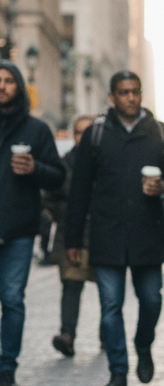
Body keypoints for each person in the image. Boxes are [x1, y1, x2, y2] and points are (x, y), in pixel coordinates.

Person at [66, 70, 164, 386]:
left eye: (135, 91)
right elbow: (79, 191)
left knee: (151, 300)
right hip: (107, 235)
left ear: (141, 94)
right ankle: (118, 371)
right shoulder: (96, 134)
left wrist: (163, 186)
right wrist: (73, 240)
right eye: (123, 92)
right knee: (110, 306)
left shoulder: (160, 133)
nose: (130, 97)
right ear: (112, 97)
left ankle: (143, 344)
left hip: (147, 234)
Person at [0, 62, 64, 386]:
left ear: (19, 87)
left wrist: (34, 168)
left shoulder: (36, 130)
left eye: (9, 81)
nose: (2, 86)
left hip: (18, 230)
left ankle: (6, 368)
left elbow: (57, 175)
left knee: (12, 299)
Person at [47, 114, 96, 357]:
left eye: (88, 132)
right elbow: (50, 197)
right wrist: (61, 215)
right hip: (72, 234)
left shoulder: (106, 163)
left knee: (109, 289)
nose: (82, 137)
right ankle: (67, 334)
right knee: (71, 285)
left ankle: (108, 336)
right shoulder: (64, 163)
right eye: (78, 132)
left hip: (100, 235)